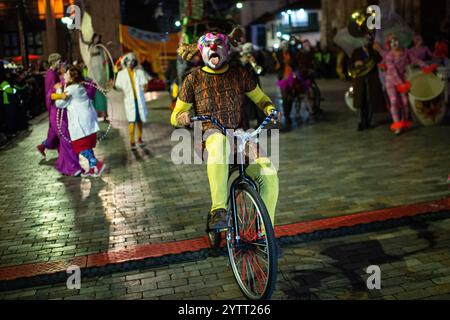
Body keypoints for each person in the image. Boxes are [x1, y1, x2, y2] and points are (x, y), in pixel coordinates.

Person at [171, 31, 280, 232]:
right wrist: (182, 117)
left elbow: (261, 98)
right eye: (209, 45)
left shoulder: (240, 74)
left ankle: (266, 235)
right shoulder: (193, 79)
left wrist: (270, 109)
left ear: (227, 49)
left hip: (240, 138)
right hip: (209, 138)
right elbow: (175, 114)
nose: (214, 48)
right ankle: (218, 210)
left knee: (269, 172)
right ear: (201, 51)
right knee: (219, 141)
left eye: (218, 44)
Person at [53, 67, 105, 177]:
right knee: (86, 145)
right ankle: (92, 168)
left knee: (80, 147)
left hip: (81, 122)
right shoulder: (79, 87)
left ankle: (97, 164)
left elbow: (59, 104)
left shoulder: (71, 89)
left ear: (72, 77)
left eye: (66, 74)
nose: (64, 76)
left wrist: (58, 89)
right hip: (87, 120)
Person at [384, 34, 427, 135]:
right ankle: (397, 124)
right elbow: (393, 71)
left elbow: (415, 60)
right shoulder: (389, 56)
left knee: (405, 102)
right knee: (394, 101)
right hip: (391, 80)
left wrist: (426, 66)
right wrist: (401, 84)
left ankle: (403, 122)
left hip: (402, 80)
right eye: (391, 42)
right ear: (389, 44)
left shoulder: (405, 52)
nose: (394, 43)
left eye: (395, 40)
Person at [115, 52, 151, 151]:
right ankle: (132, 141)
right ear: (125, 62)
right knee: (131, 121)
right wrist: (113, 78)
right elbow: (117, 87)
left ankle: (139, 139)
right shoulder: (121, 74)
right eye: (128, 61)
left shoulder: (139, 72)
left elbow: (145, 83)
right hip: (129, 101)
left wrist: (145, 87)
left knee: (139, 120)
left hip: (139, 100)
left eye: (132, 61)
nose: (130, 63)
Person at [349, 37, 384, 131]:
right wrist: (355, 64)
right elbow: (350, 65)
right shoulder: (356, 51)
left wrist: (377, 51)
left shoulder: (373, 51)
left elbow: (380, 60)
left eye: (368, 40)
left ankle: (368, 121)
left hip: (371, 79)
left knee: (370, 100)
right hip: (360, 80)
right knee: (361, 101)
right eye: (364, 40)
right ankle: (361, 122)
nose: (366, 42)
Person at [36, 53, 62, 158]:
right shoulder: (51, 74)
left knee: (53, 131)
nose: (60, 64)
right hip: (54, 105)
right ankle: (63, 152)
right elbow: (52, 92)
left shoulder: (51, 73)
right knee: (58, 130)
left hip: (53, 105)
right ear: (55, 62)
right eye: (59, 62)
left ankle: (42, 146)